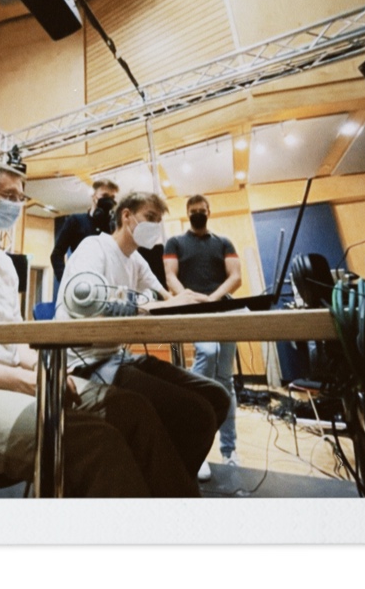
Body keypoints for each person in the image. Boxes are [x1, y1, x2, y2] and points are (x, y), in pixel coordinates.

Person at [0, 160, 197, 497]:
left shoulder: (3, 264)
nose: (17, 206)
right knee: (92, 441)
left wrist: (46, 372)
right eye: (8, 196)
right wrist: (19, 379)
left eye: (21, 198)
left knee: (132, 410)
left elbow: (16, 347)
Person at [54, 191, 232, 483]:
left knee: (217, 397)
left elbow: (167, 298)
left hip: (117, 357)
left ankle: (166, 476)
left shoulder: (135, 260)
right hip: (84, 363)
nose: (154, 226)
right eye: (150, 217)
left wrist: (195, 300)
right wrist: (153, 304)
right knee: (197, 413)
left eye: (158, 221)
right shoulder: (94, 247)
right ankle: (167, 484)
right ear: (126, 216)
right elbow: (91, 305)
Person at [164, 194, 243, 480]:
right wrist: (190, 297)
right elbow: (170, 277)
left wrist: (213, 298)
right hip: (193, 309)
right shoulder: (175, 242)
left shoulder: (224, 242)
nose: (198, 213)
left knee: (225, 381)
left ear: (209, 211)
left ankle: (229, 450)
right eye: (193, 210)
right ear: (187, 213)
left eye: (202, 210)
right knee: (207, 356)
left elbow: (235, 276)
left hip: (222, 308)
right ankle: (196, 450)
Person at [50, 179, 119, 283]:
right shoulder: (75, 221)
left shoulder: (115, 227)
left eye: (112, 197)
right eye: (104, 195)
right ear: (94, 196)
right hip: (81, 283)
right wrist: (66, 282)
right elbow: (57, 254)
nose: (109, 200)